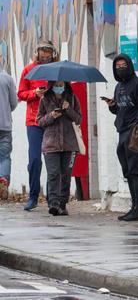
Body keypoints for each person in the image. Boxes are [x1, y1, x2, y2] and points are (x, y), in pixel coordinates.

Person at [103, 54, 138, 221]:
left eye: (123, 65)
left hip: (134, 131)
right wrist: (112, 106)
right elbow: (119, 110)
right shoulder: (118, 87)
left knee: (135, 169)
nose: (121, 68)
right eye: (118, 66)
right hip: (121, 130)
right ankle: (134, 205)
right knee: (127, 170)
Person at [17, 40, 59, 211]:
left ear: (52, 53)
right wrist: (35, 93)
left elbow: (65, 90)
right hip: (34, 121)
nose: (45, 54)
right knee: (34, 159)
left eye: (48, 51)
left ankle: (52, 197)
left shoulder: (57, 70)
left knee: (52, 160)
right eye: (42, 51)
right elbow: (20, 93)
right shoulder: (28, 70)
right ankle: (33, 196)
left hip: (52, 120)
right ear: (37, 52)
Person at [36, 81, 82, 216]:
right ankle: (54, 203)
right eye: (56, 85)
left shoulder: (72, 98)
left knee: (66, 175)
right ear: (51, 86)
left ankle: (62, 204)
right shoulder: (44, 100)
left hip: (69, 143)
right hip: (51, 144)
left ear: (65, 85)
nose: (59, 87)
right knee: (53, 174)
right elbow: (39, 121)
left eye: (61, 85)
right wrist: (51, 116)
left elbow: (79, 119)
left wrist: (68, 109)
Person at [0, 53, 18, 200]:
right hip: (5, 125)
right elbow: (14, 103)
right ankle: (3, 180)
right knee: (5, 156)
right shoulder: (7, 78)